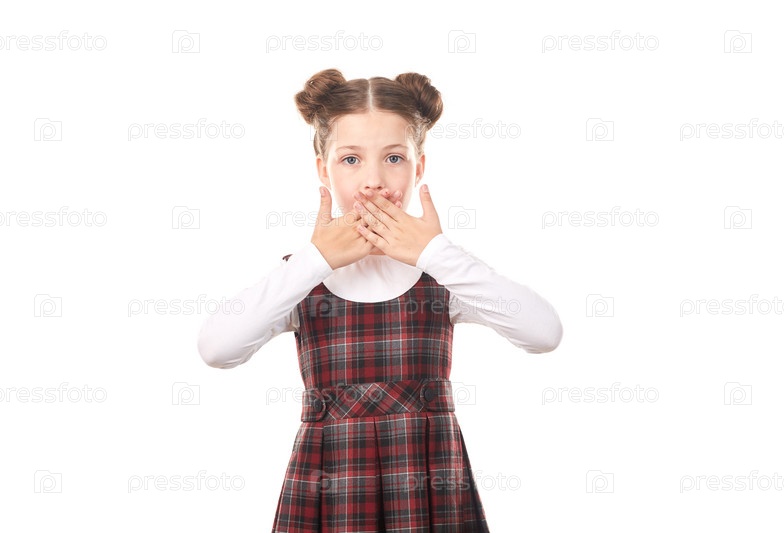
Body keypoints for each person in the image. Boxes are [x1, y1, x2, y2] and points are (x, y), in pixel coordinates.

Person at [197, 68, 563, 532]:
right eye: (351, 160)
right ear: (323, 170)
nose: (373, 181)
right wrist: (315, 260)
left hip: (430, 492)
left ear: (419, 167)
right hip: (332, 492)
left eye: (394, 158)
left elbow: (543, 333)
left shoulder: (442, 273)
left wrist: (436, 252)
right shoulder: (301, 277)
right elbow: (217, 348)